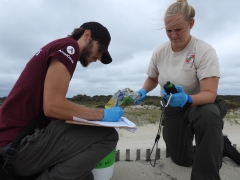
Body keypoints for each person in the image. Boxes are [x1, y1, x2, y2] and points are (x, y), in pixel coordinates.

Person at [0, 22, 124, 180]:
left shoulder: (58, 47)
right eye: (100, 50)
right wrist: (102, 114)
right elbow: (53, 106)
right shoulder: (68, 47)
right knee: (109, 136)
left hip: (16, 143)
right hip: (14, 148)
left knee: (86, 177)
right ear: (87, 36)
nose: (99, 57)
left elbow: (53, 109)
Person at [136, 0, 240, 180]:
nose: (173, 35)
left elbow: (209, 93)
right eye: (169, 30)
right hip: (173, 108)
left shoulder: (204, 51)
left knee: (207, 117)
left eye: (178, 29)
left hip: (202, 104)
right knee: (181, 158)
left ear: (191, 24)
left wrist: (187, 99)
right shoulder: (160, 51)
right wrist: (142, 91)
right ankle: (220, 145)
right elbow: (153, 78)